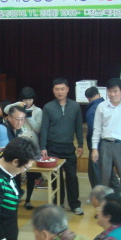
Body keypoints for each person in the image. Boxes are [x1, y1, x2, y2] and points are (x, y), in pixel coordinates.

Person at [40, 78, 84, 214]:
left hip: (68, 147)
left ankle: (74, 204)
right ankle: (58, 203)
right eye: (57, 89)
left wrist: (80, 144)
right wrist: (43, 147)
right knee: (55, 178)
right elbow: (44, 128)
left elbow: (78, 127)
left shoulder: (75, 106)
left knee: (72, 177)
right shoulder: (48, 107)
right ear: (53, 91)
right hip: (53, 148)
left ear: (68, 90)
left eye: (62, 89)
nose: (60, 92)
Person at [3, 105, 40, 208]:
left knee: (31, 172)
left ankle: (27, 200)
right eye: (17, 119)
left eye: (22, 119)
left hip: (16, 162)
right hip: (7, 165)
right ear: (9, 117)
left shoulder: (18, 129)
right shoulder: (4, 130)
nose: (20, 122)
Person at [84, 87, 105, 189]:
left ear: (87, 98)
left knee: (95, 173)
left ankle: (98, 194)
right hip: (108, 144)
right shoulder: (106, 105)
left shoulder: (91, 110)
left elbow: (93, 131)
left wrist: (93, 147)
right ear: (99, 94)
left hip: (97, 146)